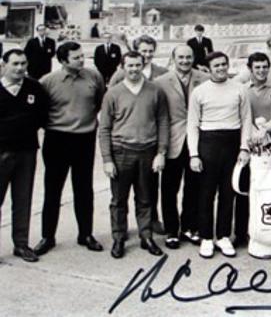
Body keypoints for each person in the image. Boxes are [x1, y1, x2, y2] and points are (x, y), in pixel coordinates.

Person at [33, 41, 105, 256]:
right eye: (76, 57)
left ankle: (86, 234)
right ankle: (48, 236)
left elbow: (98, 102)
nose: (82, 60)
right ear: (63, 61)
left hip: (84, 139)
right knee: (53, 189)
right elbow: (40, 111)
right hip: (57, 139)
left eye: (83, 56)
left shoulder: (94, 76)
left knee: (84, 189)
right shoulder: (48, 81)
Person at [99, 51, 169, 259]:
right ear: (123, 67)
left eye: (138, 65)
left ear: (143, 64)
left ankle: (146, 236)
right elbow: (104, 128)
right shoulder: (113, 93)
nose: (134, 69)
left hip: (148, 151)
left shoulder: (155, 91)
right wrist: (107, 159)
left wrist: (161, 153)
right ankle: (119, 237)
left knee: (146, 198)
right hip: (121, 151)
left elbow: (163, 122)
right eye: (130, 65)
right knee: (119, 199)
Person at [187, 51, 252, 259]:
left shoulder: (240, 89)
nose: (222, 68)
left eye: (224, 64)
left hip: (232, 143)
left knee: (228, 192)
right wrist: (194, 154)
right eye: (217, 65)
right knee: (206, 194)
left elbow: (246, 121)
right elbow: (192, 125)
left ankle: (223, 235)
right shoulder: (199, 92)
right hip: (208, 144)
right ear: (209, 68)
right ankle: (206, 237)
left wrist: (244, 148)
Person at [154, 45, 209, 249]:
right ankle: (171, 230)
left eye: (188, 57)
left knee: (194, 187)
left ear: (193, 57)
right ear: (173, 58)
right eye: (181, 57)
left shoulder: (204, 78)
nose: (185, 61)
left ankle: (189, 227)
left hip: (197, 141)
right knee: (169, 188)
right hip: (172, 140)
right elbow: (158, 115)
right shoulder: (160, 83)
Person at [233, 52, 271, 247]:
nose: (262, 71)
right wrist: (249, 136)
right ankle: (241, 233)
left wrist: (265, 128)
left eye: (265, 66)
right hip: (246, 143)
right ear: (250, 69)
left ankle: (270, 229)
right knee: (244, 187)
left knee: (269, 188)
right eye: (257, 67)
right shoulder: (241, 89)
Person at [0, 49, 49, 262]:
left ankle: (21, 244)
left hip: (26, 152)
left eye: (23, 63)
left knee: (23, 199)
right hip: (1, 153)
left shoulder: (34, 88)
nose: (20, 68)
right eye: (15, 64)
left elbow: (42, 115)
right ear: (4, 65)